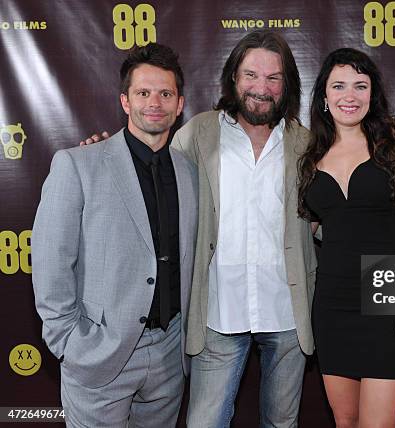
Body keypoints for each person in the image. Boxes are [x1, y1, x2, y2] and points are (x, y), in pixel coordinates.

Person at [32, 43, 198, 427]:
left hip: (170, 354)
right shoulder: (77, 165)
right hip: (99, 353)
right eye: (143, 93)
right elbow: (50, 262)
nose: (154, 102)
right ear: (125, 101)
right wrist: (70, 344)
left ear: (179, 104)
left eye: (165, 94)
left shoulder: (190, 172)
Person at [170, 30, 317, 427]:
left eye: (273, 78)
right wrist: (101, 159)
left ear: (287, 85)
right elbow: (157, 187)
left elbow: (326, 217)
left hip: (287, 313)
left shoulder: (305, 144)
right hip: (218, 311)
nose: (261, 88)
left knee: (281, 423)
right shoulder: (198, 134)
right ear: (233, 77)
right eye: (251, 75)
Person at [297, 48, 395, 428]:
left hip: (387, 300)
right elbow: (302, 231)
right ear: (324, 96)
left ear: (372, 95)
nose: (349, 96)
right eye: (338, 86)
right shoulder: (310, 159)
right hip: (331, 305)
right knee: (347, 422)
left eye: (360, 86)